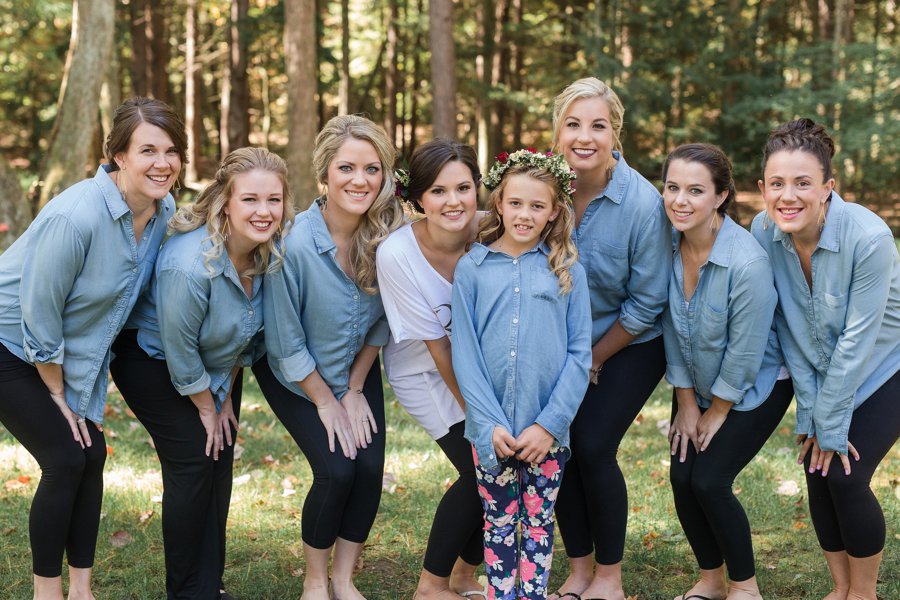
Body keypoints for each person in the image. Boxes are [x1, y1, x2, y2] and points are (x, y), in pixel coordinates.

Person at [0, 97, 184, 600]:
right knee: (64, 457)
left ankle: (82, 589)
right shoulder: (76, 215)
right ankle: (46, 592)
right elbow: (41, 312)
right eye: (148, 150)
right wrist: (59, 395)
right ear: (119, 156)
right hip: (11, 342)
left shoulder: (162, 210)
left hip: (58, 350)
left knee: (92, 453)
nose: (162, 163)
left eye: (172, 151)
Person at [110, 147, 292, 600]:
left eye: (274, 200)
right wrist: (207, 407)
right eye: (250, 199)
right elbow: (180, 348)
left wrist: (226, 395)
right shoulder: (191, 265)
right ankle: (187, 591)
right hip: (153, 362)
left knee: (221, 463)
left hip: (215, 368)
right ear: (225, 202)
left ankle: (211, 585)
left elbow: (238, 338)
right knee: (194, 461)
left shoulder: (266, 255)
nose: (264, 211)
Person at [254, 114, 403, 600]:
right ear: (324, 174)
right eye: (346, 168)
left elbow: (384, 321)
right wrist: (326, 400)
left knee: (368, 470)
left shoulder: (387, 235)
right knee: (337, 469)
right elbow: (283, 341)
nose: (360, 180)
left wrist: (357, 388)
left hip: (356, 368)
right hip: (295, 373)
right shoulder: (293, 244)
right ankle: (315, 582)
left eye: (372, 169)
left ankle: (343, 578)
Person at [751, 119, 899, 600]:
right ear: (762, 188)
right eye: (777, 184)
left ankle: (865, 593)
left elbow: (859, 339)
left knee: (845, 474)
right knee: (818, 473)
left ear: (828, 188)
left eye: (802, 183)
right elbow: (787, 327)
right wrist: (813, 412)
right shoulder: (764, 233)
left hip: (887, 363)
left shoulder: (869, 238)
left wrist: (829, 421)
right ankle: (841, 588)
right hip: (819, 365)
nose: (788, 196)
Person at [548, 77, 671, 600]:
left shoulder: (642, 203)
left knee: (593, 445)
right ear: (557, 130)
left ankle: (609, 577)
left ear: (615, 132)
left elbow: (647, 304)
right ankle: (578, 571)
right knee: (557, 446)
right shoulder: (543, 186)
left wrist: (591, 359)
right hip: (562, 343)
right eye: (573, 124)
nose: (584, 136)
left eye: (597, 125)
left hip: (631, 342)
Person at [451, 148, 592, 600]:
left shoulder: (567, 271)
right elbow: (465, 355)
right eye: (516, 203)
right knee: (497, 520)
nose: (525, 214)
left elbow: (579, 354)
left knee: (538, 520)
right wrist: (487, 423)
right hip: (489, 432)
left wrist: (549, 425)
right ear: (498, 204)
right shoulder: (471, 268)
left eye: (537, 205)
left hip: (545, 433)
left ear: (554, 211)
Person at [661, 144, 793, 600]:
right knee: (682, 475)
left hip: (756, 385)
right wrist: (685, 404)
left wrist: (716, 410)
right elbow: (671, 328)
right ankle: (711, 579)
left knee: (709, 479)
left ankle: (745, 586)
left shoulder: (747, 262)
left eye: (695, 190)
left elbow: (747, 349)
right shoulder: (669, 245)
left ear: (719, 197)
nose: (680, 200)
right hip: (694, 384)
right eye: (673, 187)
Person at [375, 139, 486, 600]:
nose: (454, 201)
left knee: (498, 469)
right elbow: (439, 348)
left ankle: (463, 576)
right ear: (417, 197)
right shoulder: (397, 254)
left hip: (481, 373)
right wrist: (482, 418)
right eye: (439, 191)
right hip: (426, 375)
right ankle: (430, 584)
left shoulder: (493, 230)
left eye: (463, 188)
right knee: (482, 469)